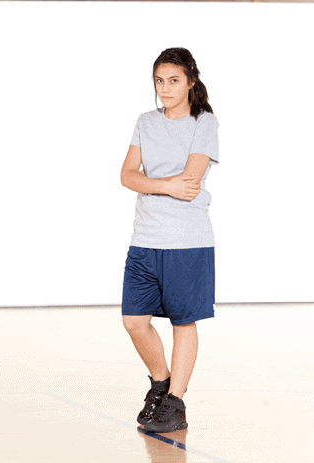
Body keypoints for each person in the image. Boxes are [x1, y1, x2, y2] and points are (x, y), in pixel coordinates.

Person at [120, 47, 219, 434]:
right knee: (134, 321)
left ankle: (175, 402)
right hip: (145, 238)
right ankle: (160, 383)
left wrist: (149, 183)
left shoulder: (204, 122)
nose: (165, 88)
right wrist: (165, 185)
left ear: (190, 82)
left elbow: (190, 183)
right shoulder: (145, 121)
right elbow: (127, 176)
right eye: (159, 81)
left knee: (183, 320)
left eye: (173, 80)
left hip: (186, 240)